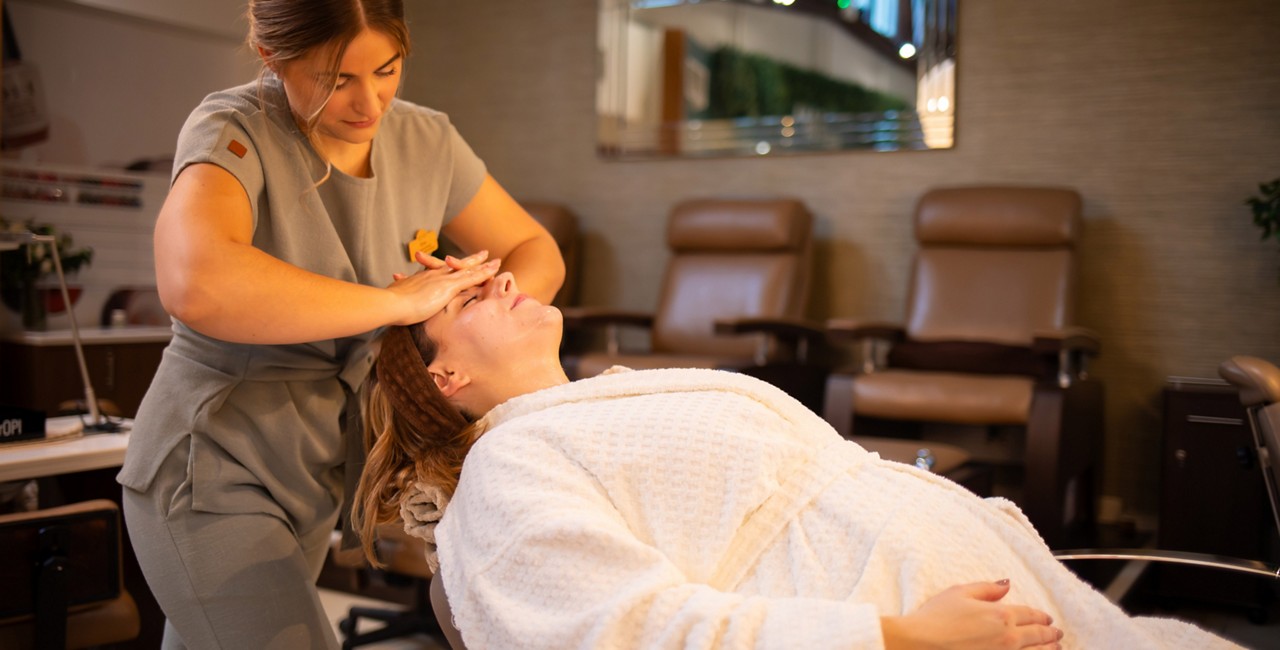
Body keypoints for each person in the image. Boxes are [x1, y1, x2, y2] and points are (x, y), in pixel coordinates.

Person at [353, 272, 1241, 650]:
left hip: (998, 602)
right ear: (447, 374)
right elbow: (628, 634)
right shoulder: (509, 471)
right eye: (468, 295)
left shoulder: (599, 402)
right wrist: (901, 636)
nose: (503, 275)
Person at [116, 1, 564, 648]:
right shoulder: (235, 127)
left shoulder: (426, 139)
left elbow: (535, 249)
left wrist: (486, 303)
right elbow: (195, 279)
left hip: (317, 476)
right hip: (210, 469)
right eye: (334, 79)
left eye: (386, 69)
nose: (369, 102)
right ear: (273, 58)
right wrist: (402, 304)